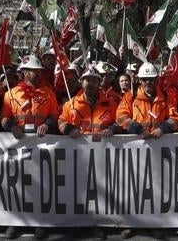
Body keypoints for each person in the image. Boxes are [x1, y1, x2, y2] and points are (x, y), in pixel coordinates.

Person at [115, 62, 178, 240]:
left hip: (158, 150)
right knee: (133, 188)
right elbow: (120, 116)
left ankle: (154, 223)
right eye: (145, 80)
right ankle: (130, 224)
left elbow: (175, 118)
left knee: (156, 189)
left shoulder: (165, 96)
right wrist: (138, 129)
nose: (148, 83)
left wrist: (163, 129)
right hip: (136, 151)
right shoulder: (131, 96)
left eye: (151, 80)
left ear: (156, 79)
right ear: (140, 81)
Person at [1, 55, 58, 240]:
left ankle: (39, 223)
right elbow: (4, 118)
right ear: (25, 72)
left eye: (39, 70)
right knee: (17, 185)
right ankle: (16, 223)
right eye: (34, 70)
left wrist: (47, 125)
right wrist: (12, 127)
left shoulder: (48, 93)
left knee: (40, 186)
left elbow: (54, 116)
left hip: (40, 147)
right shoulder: (11, 93)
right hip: (19, 146)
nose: (38, 73)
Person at [58, 67, 116, 239]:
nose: (90, 83)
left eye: (94, 80)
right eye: (87, 80)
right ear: (81, 82)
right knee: (76, 190)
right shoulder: (71, 104)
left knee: (97, 192)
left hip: (100, 158)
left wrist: (113, 129)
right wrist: (69, 129)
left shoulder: (110, 103)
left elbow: (120, 120)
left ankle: (94, 224)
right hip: (78, 158)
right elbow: (61, 120)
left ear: (99, 83)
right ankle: (76, 223)